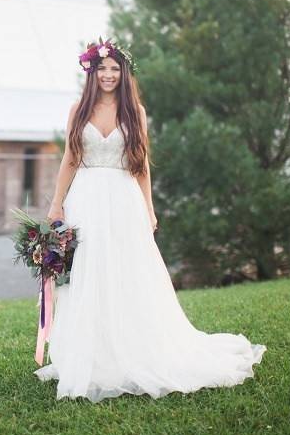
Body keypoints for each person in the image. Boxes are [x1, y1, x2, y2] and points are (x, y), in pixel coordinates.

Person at [34, 37, 267, 402]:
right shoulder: (77, 109)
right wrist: (56, 204)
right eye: (102, 69)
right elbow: (70, 159)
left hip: (124, 199)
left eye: (114, 70)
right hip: (86, 198)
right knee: (90, 272)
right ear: (91, 73)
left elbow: (141, 166)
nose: (108, 75)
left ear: (123, 74)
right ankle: (91, 357)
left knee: (129, 272)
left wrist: (150, 207)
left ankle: (136, 350)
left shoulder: (135, 112)